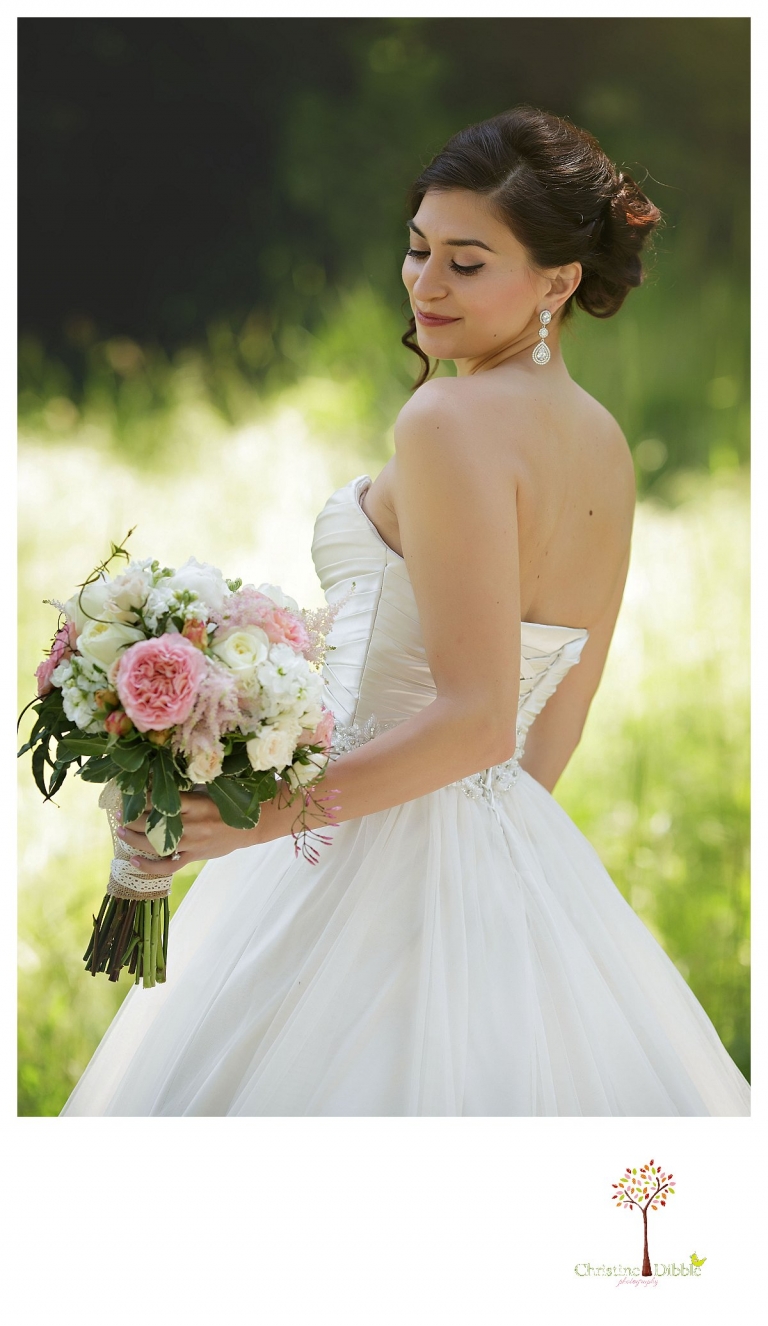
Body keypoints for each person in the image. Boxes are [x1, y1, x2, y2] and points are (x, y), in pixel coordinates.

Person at [61, 106, 750, 1116]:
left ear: (558, 281)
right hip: (514, 851)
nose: (426, 283)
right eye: (419, 249)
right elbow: (545, 723)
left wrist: (256, 822)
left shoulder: (446, 419)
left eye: (468, 264)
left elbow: (474, 716)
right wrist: (481, 864)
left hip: (342, 839)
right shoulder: (601, 441)